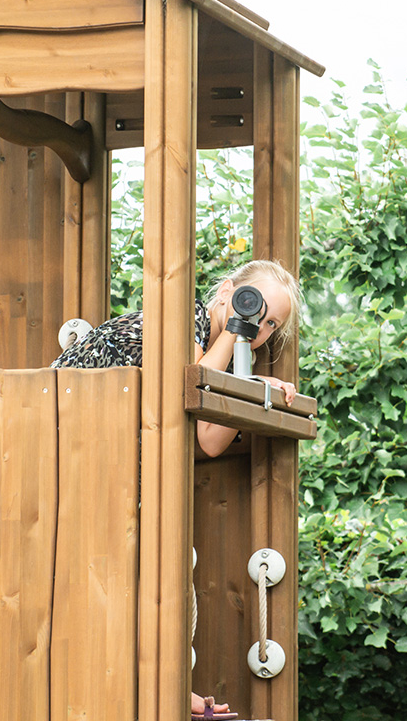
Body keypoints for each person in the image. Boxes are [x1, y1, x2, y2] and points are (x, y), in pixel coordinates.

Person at [51, 258, 300, 721]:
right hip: (62, 452)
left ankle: (170, 691)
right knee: (140, 572)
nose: (259, 325)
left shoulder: (221, 354)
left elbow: (206, 438)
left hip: (117, 474)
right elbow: (179, 393)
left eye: (270, 324)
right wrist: (238, 344)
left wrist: (249, 391)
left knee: (174, 564)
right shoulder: (176, 319)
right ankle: (163, 692)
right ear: (226, 292)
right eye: (255, 307)